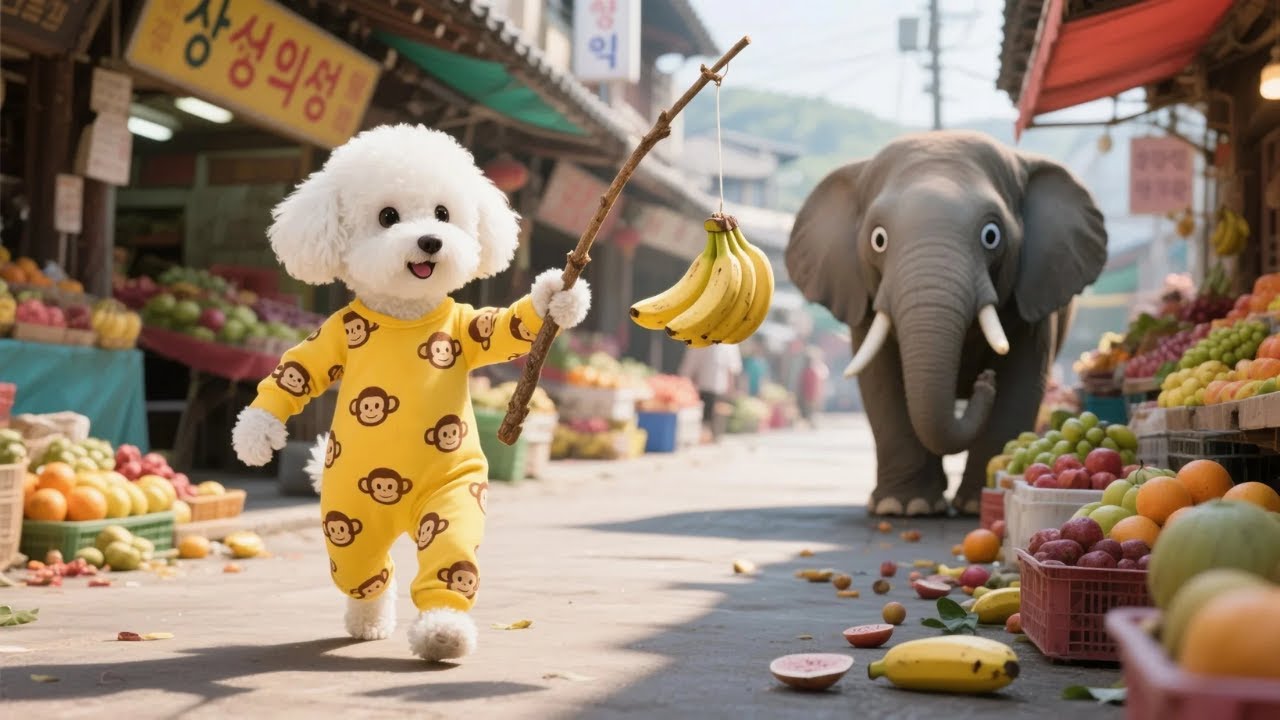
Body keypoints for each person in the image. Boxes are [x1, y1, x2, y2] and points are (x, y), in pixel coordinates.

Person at [678, 343, 742, 442]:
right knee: (703, 418)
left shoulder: (729, 344)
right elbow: (690, 364)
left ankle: (714, 437)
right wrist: (687, 383)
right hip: (701, 387)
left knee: (716, 416)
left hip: (720, 388)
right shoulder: (699, 340)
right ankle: (705, 437)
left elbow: (732, 368)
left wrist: (731, 388)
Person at [798, 346, 829, 427]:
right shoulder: (809, 371)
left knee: (812, 409)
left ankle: (812, 422)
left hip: (813, 394)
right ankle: (811, 422)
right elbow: (803, 383)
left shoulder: (815, 370)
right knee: (810, 409)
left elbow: (820, 383)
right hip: (810, 394)